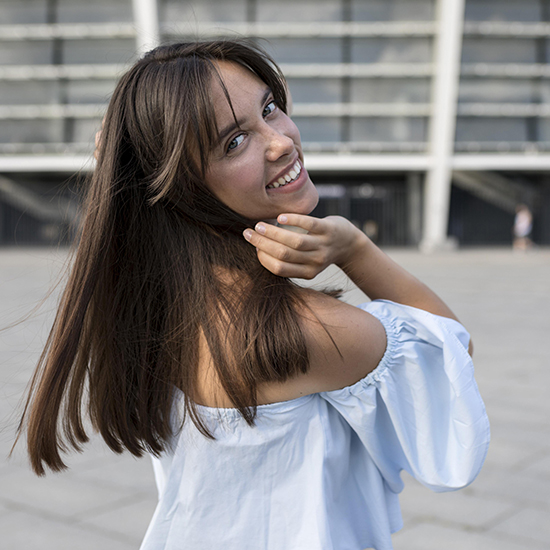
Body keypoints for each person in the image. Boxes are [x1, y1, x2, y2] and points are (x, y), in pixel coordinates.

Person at [17, 39, 489, 550]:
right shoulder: (300, 332)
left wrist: (128, 162)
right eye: (234, 142)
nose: (281, 140)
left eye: (269, 108)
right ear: (180, 185)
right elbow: (449, 352)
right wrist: (354, 248)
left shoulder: (162, 304)